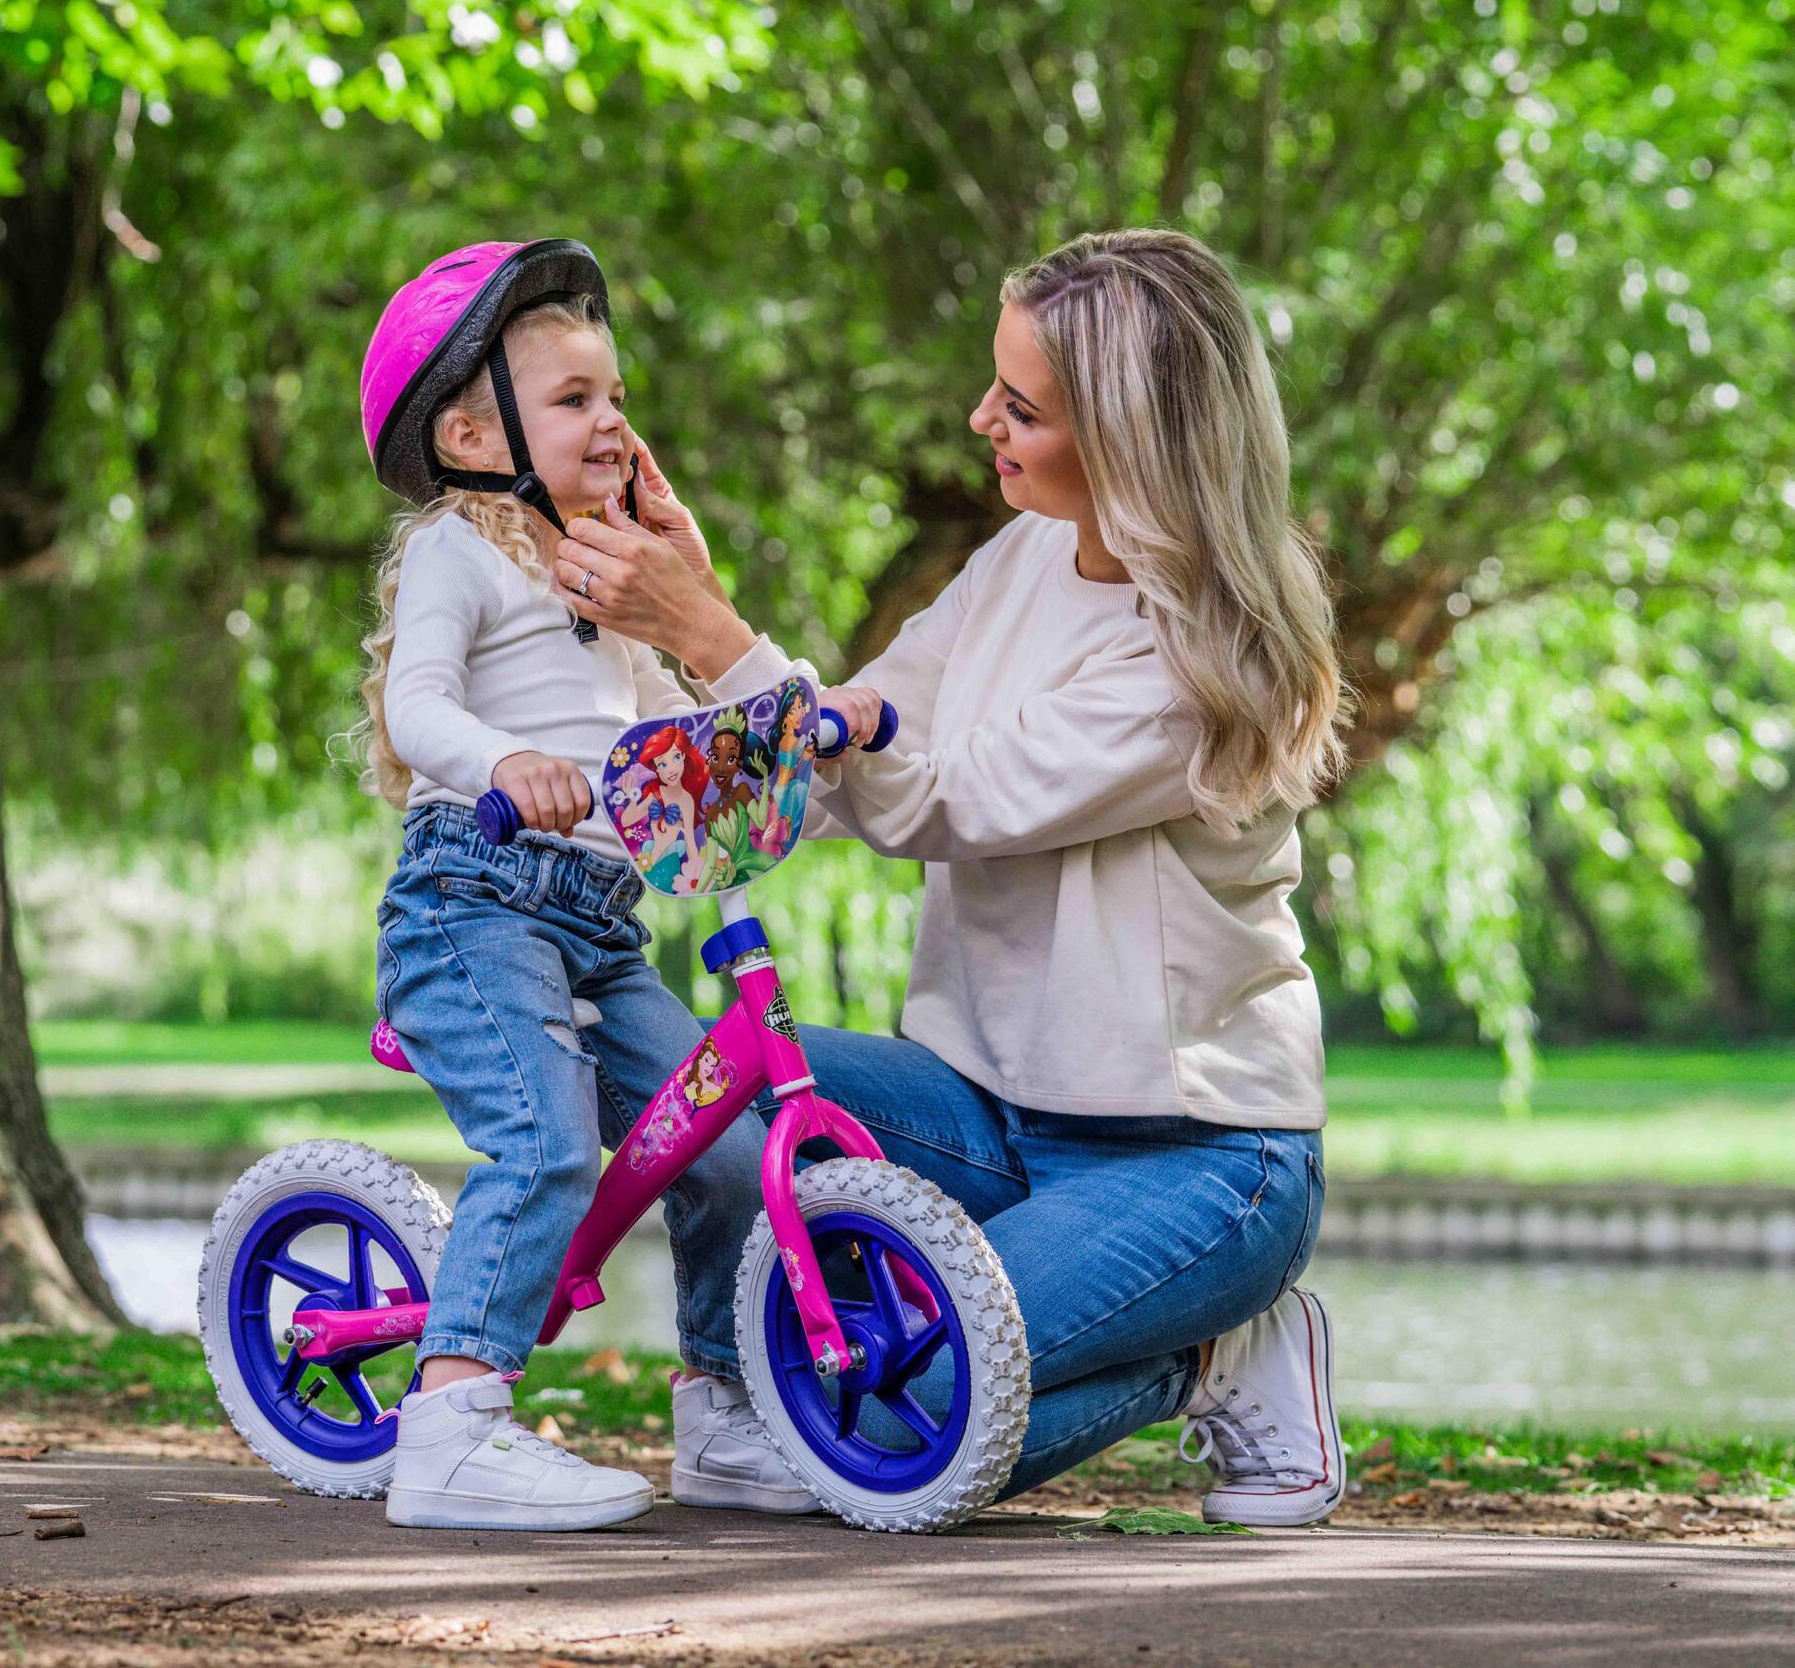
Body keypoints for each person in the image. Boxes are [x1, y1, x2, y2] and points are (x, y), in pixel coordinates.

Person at [551, 228, 1350, 1526]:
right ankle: (732, 1396)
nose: (982, 419)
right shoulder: (1024, 556)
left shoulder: (1197, 666)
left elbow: (937, 801)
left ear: (1130, 437)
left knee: (897, 1420)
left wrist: (708, 623)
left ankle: (1219, 1356)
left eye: (1020, 407)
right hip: (983, 1109)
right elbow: (855, 740)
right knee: (700, 1081)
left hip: (1195, 1161)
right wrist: (704, 649)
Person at [353, 238, 815, 1529]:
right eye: (572, 401)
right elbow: (420, 702)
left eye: (616, 396)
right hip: (475, 897)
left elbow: (683, 734)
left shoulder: (601, 576)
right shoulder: (460, 547)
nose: (612, 422)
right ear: (467, 432)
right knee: (546, 1143)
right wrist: (508, 759)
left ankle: (725, 1415)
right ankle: (450, 1428)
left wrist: (762, 682)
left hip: (600, 926)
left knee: (721, 1144)